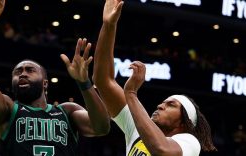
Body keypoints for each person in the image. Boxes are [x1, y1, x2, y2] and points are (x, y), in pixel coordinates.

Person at [0, 0, 110, 155]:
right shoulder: (8, 110)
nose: (22, 74)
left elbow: (101, 127)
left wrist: (84, 82)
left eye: (30, 70)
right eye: (17, 72)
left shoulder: (67, 111)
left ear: (45, 83)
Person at [92, 0, 217, 155]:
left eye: (171, 105)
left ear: (184, 123)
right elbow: (103, 81)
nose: (160, 106)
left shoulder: (189, 142)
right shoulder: (139, 129)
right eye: (163, 103)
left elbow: (161, 150)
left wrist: (131, 93)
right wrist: (109, 26)